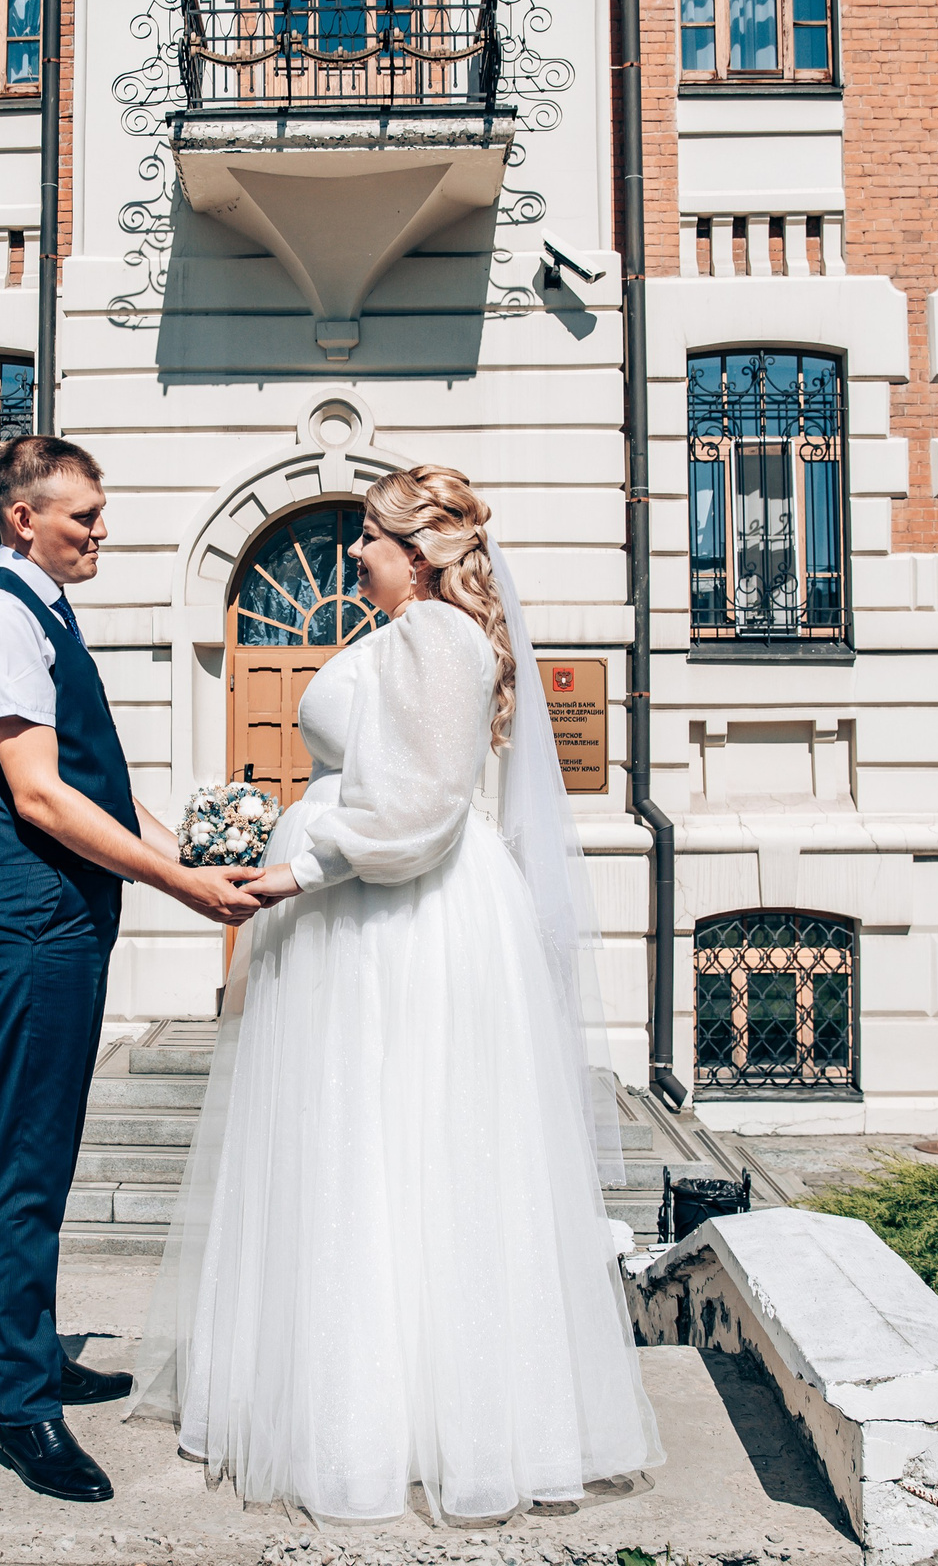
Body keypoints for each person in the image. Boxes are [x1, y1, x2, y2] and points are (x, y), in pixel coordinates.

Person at [131, 465, 665, 1523]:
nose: (353, 554)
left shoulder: (436, 638)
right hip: (361, 925)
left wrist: (299, 866)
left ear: (418, 552)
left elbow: (418, 808)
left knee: (405, 1147)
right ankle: (352, 1406)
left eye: (369, 537)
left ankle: (413, 1423)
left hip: (402, 923)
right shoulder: (405, 637)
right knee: (350, 1154)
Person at [0, 435, 266, 1505]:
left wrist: (195, 852)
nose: (100, 529)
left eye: (98, 511)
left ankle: (35, 1356)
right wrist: (181, 890)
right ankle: (22, 1411)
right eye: (82, 513)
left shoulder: (43, 608)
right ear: (21, 514)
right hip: (35, 920)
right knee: (26, 1162)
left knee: (50, 1148)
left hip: (68, 914)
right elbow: (38, 797)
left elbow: (97, 783)